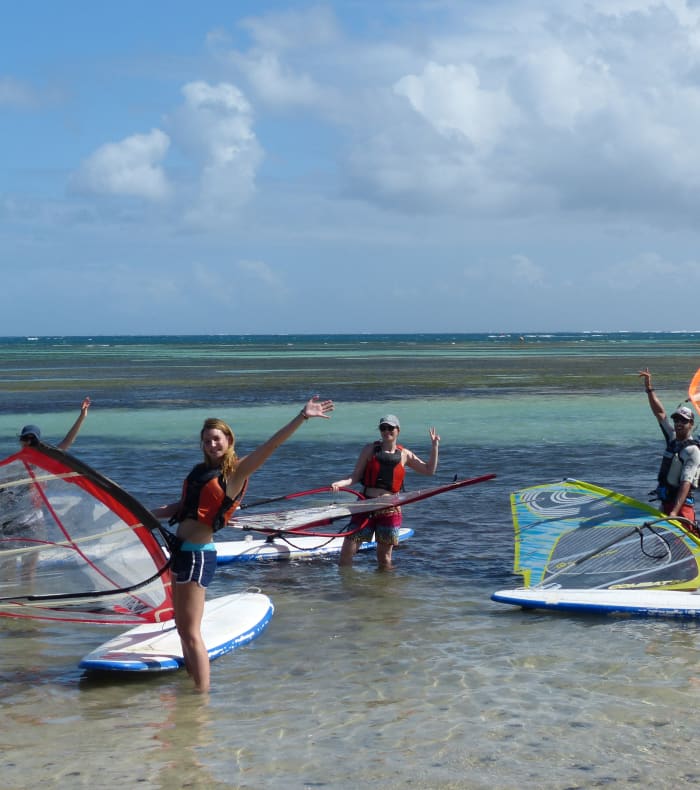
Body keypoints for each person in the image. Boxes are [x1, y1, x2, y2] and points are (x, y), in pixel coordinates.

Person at [152, 395, 334, 693]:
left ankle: (201, 700)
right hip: (180, 552)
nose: (212, 445)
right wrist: (143, 513)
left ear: (228, 440)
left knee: (192, 632)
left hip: (197, 555)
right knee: (183, 630)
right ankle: (191, 690)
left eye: (217, 439)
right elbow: (183, 506)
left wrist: (302, 417)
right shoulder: (200, 473)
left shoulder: (235, 473)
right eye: (207, 440)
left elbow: (270, 446)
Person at [331, 414, 440, 570]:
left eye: (390, 428)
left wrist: (435, 447)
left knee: (384, 559)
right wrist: (339, 484)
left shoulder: (404, 454)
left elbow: (429, 470)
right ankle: (349, 591)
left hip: (390, 510)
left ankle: (385, 591)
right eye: (383, 428)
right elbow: (355, 476)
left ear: (398, 430)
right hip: (365, 507)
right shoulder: (369, 449)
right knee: (346, 555)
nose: (386, 431)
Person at [639, 368, 700, 531]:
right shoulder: (672, 437)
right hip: (666, 504)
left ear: (691, 425)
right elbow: (660, 413)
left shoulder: (693, 451)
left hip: (682, 508)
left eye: (684, 421)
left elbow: (686, 483)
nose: (679, 423)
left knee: (688, 549)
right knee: (663, 544)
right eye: (676, 420)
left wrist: (674, 512)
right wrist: (649, 388)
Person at [18, 396, 91, 451]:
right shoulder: (17, 462)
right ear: (20, 441)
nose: (28, 442)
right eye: (25, 438)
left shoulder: (48, 457)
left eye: (32, 439)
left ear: (38, 442)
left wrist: (82, 416)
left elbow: (68, 441)